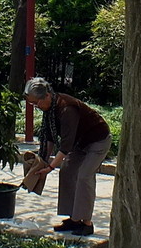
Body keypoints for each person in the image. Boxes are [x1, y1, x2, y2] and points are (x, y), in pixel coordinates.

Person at [23, 77, 111, 236]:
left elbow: (65, 146)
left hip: (98, 140)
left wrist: (50, 167)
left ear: (47, 96)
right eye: (32, 104)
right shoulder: (49, 111)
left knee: (84, 176)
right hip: (80, 142)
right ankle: (73, 219)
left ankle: (86, 223)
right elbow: (49, 138)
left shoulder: (66, 108)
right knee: (67, 172)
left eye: (37, 103)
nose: (36, 107)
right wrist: (41, 162)